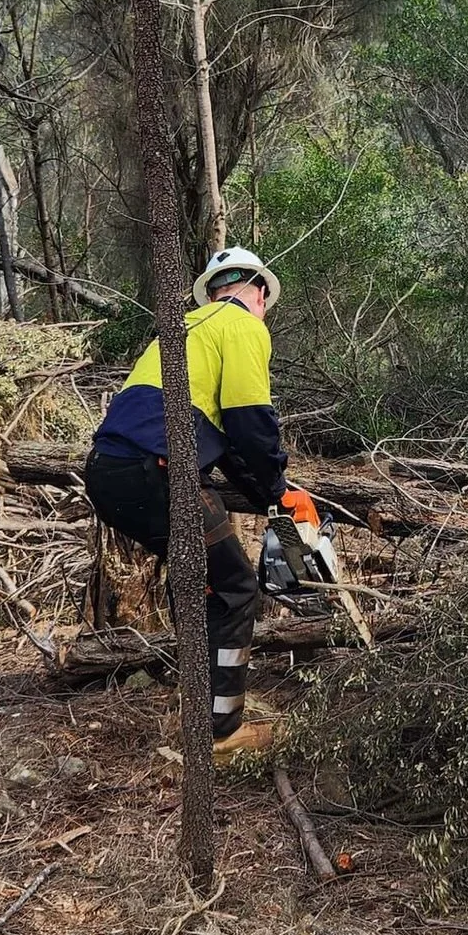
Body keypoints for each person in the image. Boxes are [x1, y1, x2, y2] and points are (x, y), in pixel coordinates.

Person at [84, 245, 316, 758]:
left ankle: (200, 706)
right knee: (235, 589)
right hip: (159, 470)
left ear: (212, 291)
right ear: (257, 292)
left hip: (109, 473)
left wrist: (268, 494)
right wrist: (280, 488)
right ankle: (223, 731)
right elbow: (250, 420)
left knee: (200, 581)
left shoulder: (185, 327)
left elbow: (220, 437)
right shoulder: (245, 327)